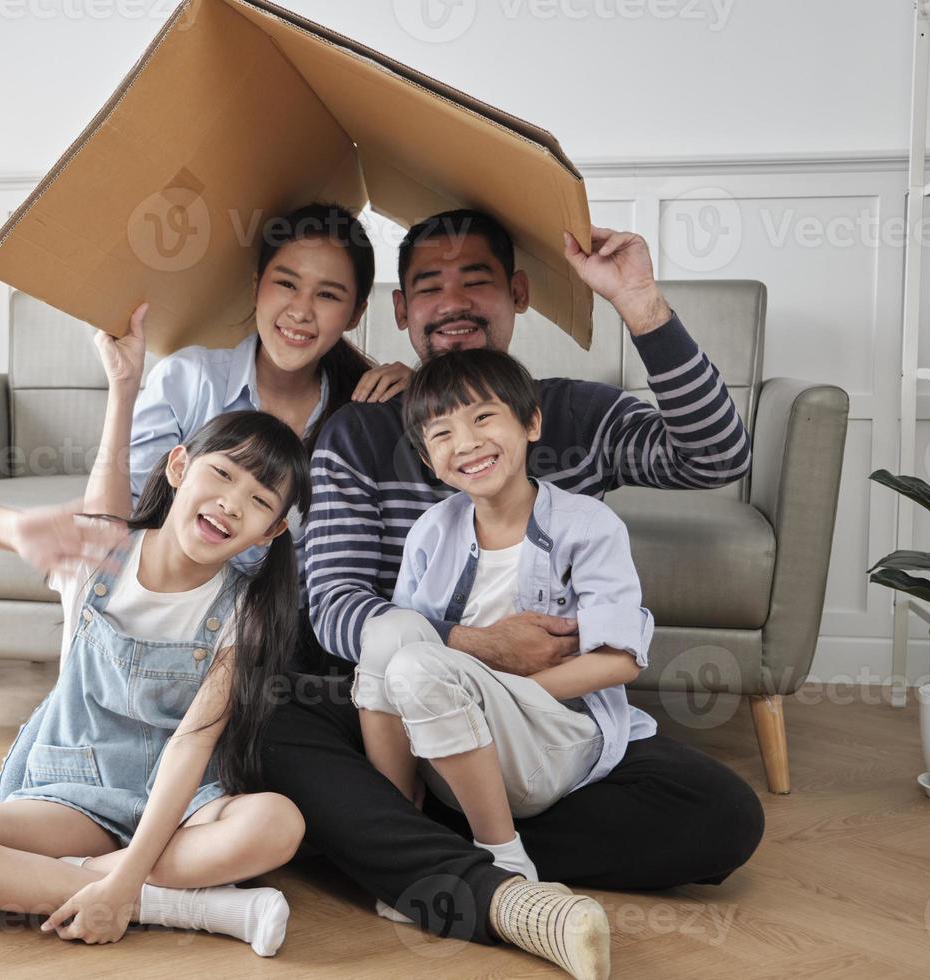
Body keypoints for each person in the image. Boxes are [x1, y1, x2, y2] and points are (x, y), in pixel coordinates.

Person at [260, 210, 764, 980]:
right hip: (404, 696)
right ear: (402, 312)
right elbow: (333, 603)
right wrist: (475, 649)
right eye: (429, 286)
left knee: (722, 822)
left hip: (541, 717)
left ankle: (386, 843)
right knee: (269, 719)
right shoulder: (360, 433)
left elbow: (714, 456)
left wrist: (640, 304)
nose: (453, 300)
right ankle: (495, 885)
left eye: (478, 280)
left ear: (518, 294)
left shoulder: (574, 414)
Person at [0, 310, 312, 957]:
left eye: (262, 501)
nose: (234, 502)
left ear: (271, 533)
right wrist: (14, 528)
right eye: (223, 473)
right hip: (72, 792)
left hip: (180, 805)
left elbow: (190, 747)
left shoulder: (247, 610)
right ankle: (203, 912)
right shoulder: (102, 553)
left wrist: (124, 875)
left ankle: (30, 888)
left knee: (277, 824)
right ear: (179, 466)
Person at [356, 348, 660, 979]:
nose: (465, 443)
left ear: (531, 424)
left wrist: (499, 688)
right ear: (426, 458)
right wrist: (467, 686)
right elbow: (404, 652)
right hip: (453, 743)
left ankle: (506, 860)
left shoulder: (587, 525)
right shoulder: (432, 532)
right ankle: (404, 842)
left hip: (552, 737)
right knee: (389, 632)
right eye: (441, 433)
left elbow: (619, 660)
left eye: (482, 418)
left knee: (418, 666)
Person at [128, 201, 411, 519]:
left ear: (356, 314)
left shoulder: (364, 413)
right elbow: (125, 512)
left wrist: (423, 396)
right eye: (287, 284)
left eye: (327, 295)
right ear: (256, 288)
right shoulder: (185, 380)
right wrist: (121, 387)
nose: (300, 311)